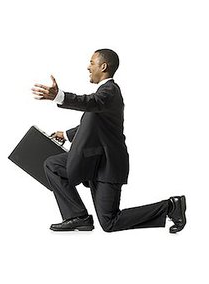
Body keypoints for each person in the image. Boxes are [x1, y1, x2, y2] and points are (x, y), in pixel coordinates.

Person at [31, 49, 186, 233]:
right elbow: (93, 124)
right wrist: (65, 134)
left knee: (109, 222)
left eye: (91, 62)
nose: (88, 67)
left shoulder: (109, 91)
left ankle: (170, 207)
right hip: (93, 159)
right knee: (53, 165)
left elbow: (91, 102)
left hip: (107, 165)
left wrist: (59, 96)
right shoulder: (104, 96)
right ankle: (77, 216)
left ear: (103, 66)